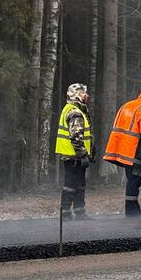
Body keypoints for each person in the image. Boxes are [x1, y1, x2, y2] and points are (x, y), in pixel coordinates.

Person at [103, 83, 141, 217]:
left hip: (123, 151)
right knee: (135, 180)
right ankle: (132, 213)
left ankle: (133, 210)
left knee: (132, 179)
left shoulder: (128, 105)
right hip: (135, 152)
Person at [55, 83, 93, 220]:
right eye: (83, 93)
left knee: (79, 184)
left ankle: (79, 211)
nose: (86, 96)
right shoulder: (75, 112)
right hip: (73, 157)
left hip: (74, 156)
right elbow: (76, 137)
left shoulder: (73, 109)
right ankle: (65, 214)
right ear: (76, 94)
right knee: (71, 185)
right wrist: (83, 155)